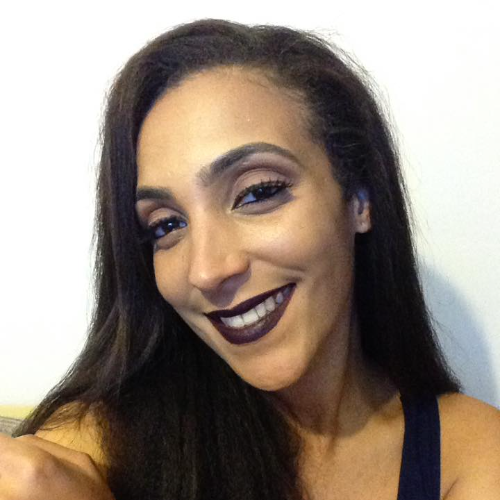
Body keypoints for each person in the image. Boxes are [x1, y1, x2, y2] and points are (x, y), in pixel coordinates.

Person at [2, 18, 499, 500]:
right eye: (167, 226)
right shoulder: (92, 448)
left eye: (258, 192)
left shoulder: (469, 454)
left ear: (359, 199)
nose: (206, 270)